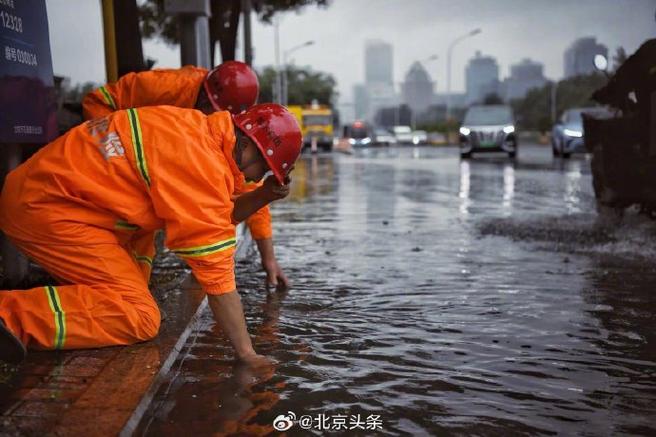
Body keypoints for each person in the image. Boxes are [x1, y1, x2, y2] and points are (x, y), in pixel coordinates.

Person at [0, 103, 302, 366]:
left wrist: (263, 195)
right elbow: (218, 277)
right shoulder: (201, 164)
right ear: (251, 147)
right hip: (47, 208)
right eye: (262, 169)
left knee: (134, 285)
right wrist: (247, 354)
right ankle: (10, 317)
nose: (255, 178)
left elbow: (216, 214)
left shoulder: (197, 129)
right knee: (138, 315)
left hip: (59, 196)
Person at [83, 61, 290, 290]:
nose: (211, 115)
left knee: (136, 279)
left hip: (144, 186)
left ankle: (130, 299)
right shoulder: (167, 86)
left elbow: (252, 192)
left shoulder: (225, 134)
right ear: (203, 92)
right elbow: (98, 101)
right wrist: (109, 157)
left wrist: (268, 259)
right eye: (208, 107)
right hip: (106, 164)